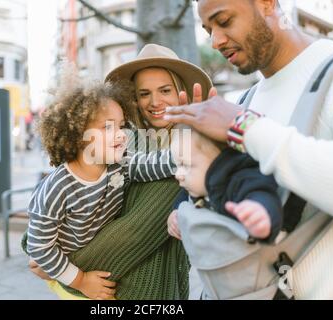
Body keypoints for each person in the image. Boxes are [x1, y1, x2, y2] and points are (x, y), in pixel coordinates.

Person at [164, 0, 333, 299]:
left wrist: (243, 127)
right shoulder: (245, 100)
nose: (216, 41)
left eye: (224, 20)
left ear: (267, 3)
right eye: (208, 30)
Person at [26, 44, 213, 300]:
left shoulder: (187, 154)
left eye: (165, 90)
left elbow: (133, 232)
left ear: (181, 91)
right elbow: (40, 230)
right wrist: (47, 256)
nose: (155, 101)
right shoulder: (122, 143)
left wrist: (66, 270)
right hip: (93, 285)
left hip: (132, 286)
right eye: (144, 93)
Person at [169, 124, 283, 244]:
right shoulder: (198, 185)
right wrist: (175, 212)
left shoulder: (241, 181)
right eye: (177, 165)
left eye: (185, 165)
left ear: (219, 159)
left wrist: (259, 214)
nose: (178, 175)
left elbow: (263, 196)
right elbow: (184, 195)